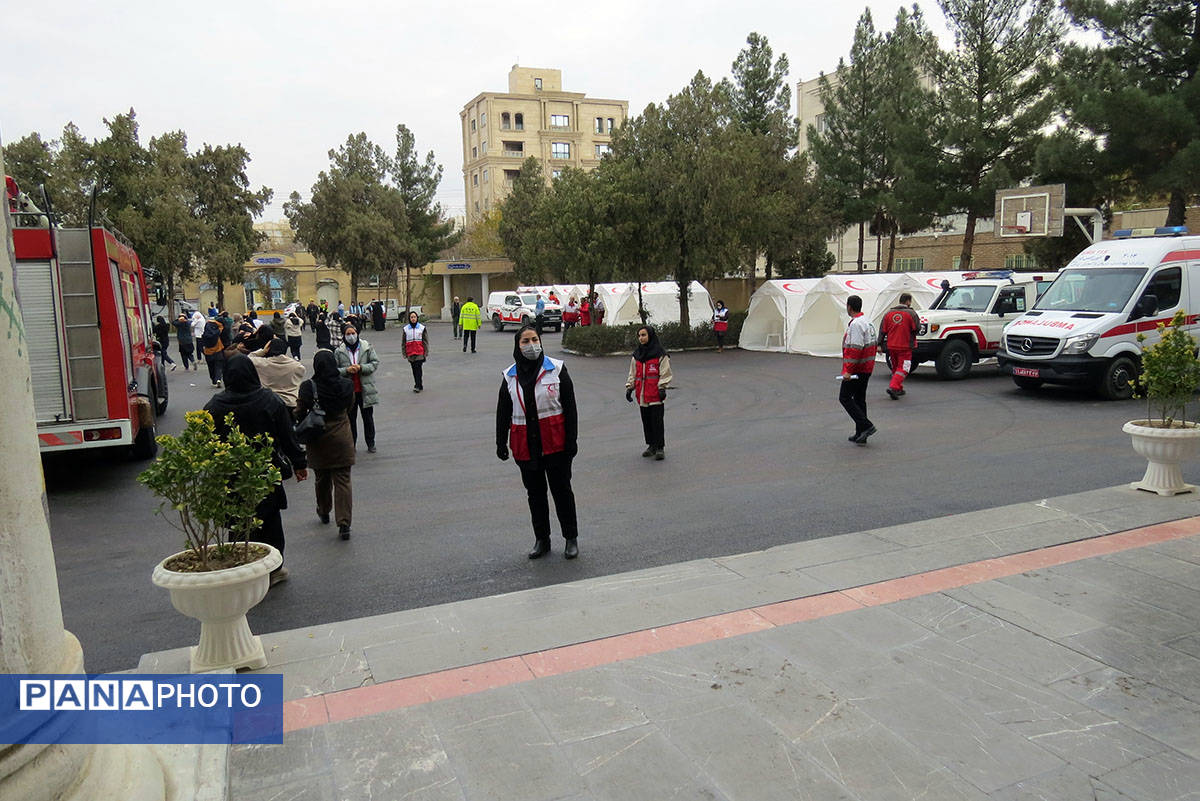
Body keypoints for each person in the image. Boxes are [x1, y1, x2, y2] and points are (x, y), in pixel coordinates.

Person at [204, 354, 308, 586]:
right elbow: (287, 436)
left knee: (238, 523)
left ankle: (242, 568)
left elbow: (206, 443)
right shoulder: (269, 401)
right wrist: (300, 463)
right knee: (270, 523)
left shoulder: (215, 406)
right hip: (265, 474)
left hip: (231, 476)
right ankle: (273, 570)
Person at [495, 325, 579, 559]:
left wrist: (571, 441)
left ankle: (571, 538)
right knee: (535, 495)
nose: (531, 345)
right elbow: (503, 412)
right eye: (525, 341)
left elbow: (570, 408)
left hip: (556, 445)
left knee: (562, 492)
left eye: (534, 339)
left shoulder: (557, 369)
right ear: (517, 345)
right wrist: (500, 443)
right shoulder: (510, 376)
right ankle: (542, 539)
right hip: (526, 447)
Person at [296, 350, 356, 539]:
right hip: (342, 437)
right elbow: (350, 407)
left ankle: (323, 510)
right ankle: (344, 522)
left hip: (318, 438)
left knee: (321, 478)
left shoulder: (308, 387)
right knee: (343, 480)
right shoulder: (346, 385)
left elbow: (299, 411)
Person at [625, 325, 673, 460]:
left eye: (644, 335)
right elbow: (633, 373)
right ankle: (651, 445)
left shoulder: (660, 355)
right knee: (646, 422)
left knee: (657, 422)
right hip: (642, 395)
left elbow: (665, 372)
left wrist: (662, 387)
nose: (641, 338)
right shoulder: (637, 356)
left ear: (650, 336)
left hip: (655, 395)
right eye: (639, 336)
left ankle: (660, 447)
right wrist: (630, 387)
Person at [335, 325, 380, 453]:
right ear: (344, 336)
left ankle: (370, 443)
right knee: (350, 420)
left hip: (365, 389)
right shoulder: (339, 351)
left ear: (357, 333)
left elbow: (374, 363)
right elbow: (335, 370)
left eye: (353, 333)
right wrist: (346, 370)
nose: (351, 336)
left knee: (368, 418)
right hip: (349, 391)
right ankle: (351, 444)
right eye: (348, 334)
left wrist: (361, 367)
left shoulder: (366, 347)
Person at [840, 295, 878, 445]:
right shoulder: (867, 322)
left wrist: (849, 370)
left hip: (858, 368)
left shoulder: (856, 324)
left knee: (844, 397)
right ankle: (861, 432)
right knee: (859, 399)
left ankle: (866, 426)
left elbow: (855, 348)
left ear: (849, 307)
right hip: (867, 367)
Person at [880, 292, 920, 400]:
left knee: (896, 367)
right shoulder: (911, 313)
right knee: (904, 368)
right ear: (908, 301)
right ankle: (894, 386)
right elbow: (917, 328)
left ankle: (898, 388)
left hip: (891, 346)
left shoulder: (888, 314)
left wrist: (879, 344)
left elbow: (882, 330)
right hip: (905, 346)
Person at [248, 337, 306, 411]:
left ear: (268, 349)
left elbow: (248, 358)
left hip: (269, 402)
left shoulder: (261, 363)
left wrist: (263, 351)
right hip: (290, 403)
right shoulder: (297, 366)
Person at [403, 310, 430, 392]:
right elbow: (403, 342)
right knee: (414, 369)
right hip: (410, 352)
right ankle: (418, 384)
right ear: (409, 318)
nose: (413, 319)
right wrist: (404, 353)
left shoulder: (422, 328)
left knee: (418, 368)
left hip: (419, 352)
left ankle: (418, 385)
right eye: (411, 317)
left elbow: (425, 341)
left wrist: (426, 352)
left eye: (414, 317)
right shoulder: (406, 329)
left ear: (417, 318)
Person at [200, 316, 225, 387]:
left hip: (208, 352)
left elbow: (201, 344)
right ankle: (218, 379)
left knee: (211, 367)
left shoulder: (205, 334)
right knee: (218, 366)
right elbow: (222, 327)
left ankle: (213, 381)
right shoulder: (218, 331)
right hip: (218, 350)